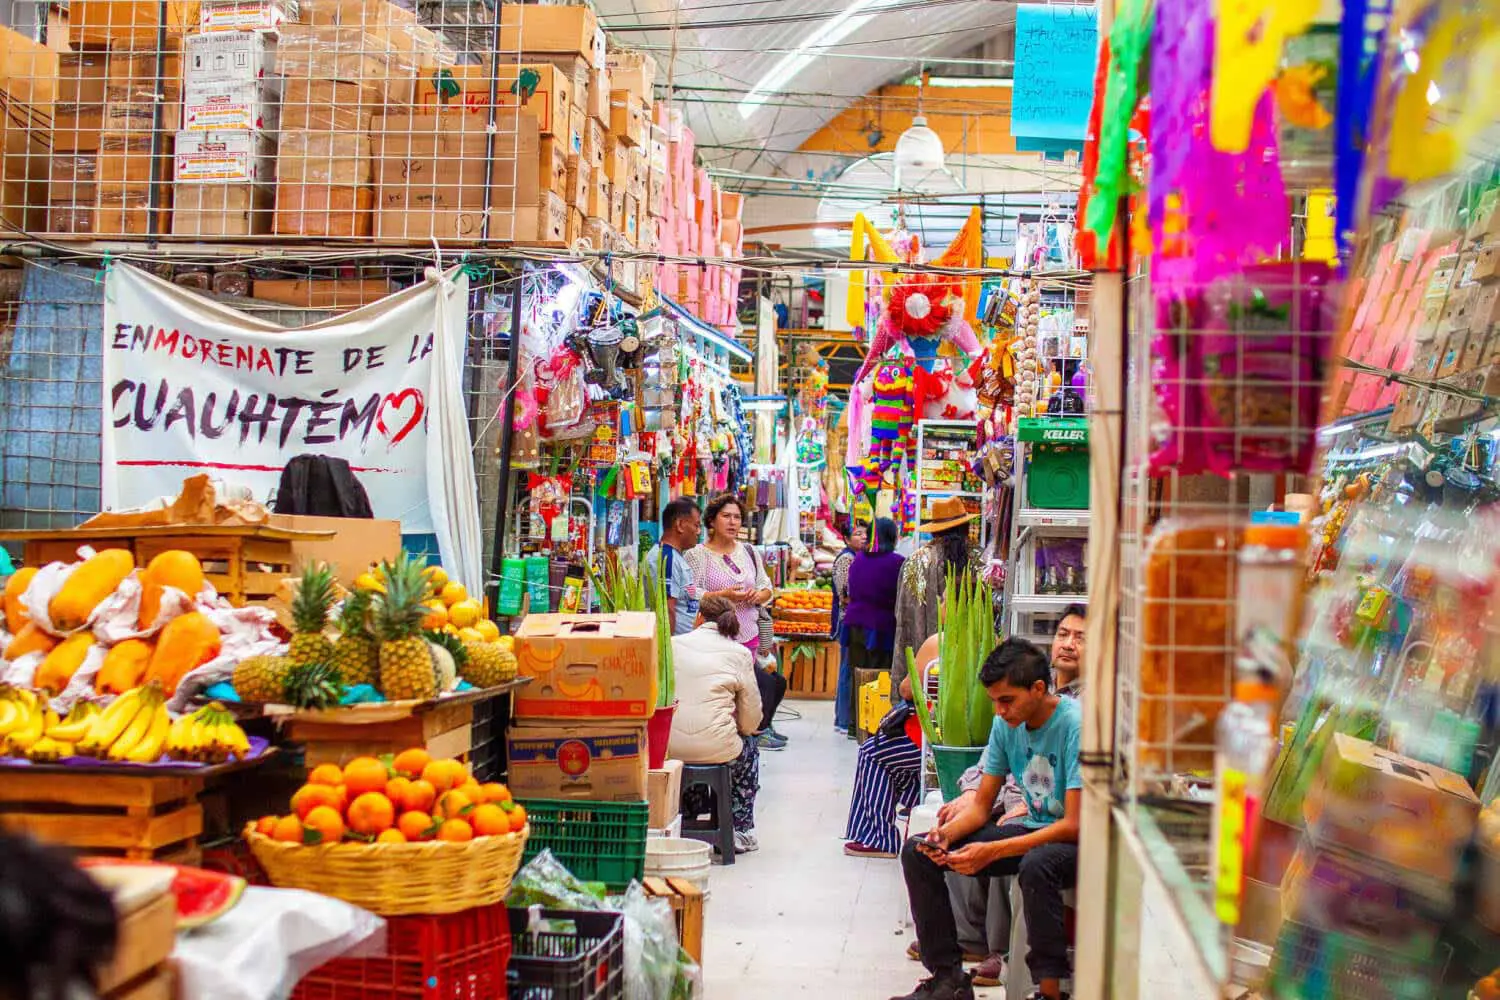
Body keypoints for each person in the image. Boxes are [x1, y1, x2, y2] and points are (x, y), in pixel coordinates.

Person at [895, 638, 1082, 1000]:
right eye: (994, 701)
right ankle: (947, 978)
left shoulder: (1074, 725)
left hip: (1075, 842)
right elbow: (981, 807)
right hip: (1029, 830)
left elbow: (1074, 825)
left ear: (1038, 689)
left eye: (1007, 700)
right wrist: (945, 837)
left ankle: (1049, 990)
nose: (999, 711)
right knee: (918, 853)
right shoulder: (1006, 724)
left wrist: (992, 851)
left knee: (1036, 865)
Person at [685, 494, 786, 749]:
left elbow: (766, 589)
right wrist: (724, 596)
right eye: (726, 516)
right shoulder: (697, 556)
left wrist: (755, 596)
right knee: (720, 695)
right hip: (714, 638)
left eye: (737, 517)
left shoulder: (749, 552)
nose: (733, 522)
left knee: (745, 695)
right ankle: (719, 745)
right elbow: (690, 593)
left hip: (748, 636)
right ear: (712, 520)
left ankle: (746, 742)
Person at [669, 595, 766, 855]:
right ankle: (740, 829)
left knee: (698, 756)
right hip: (718, 746)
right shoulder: (740, 653)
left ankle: (688, 818)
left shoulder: (672, 644)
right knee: (748, 750)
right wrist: (744, 730)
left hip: (670, 747)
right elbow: (751, 718)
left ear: (699, 618)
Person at [843, 632, 937, 858]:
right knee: (893, 755)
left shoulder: (938, 641)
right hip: (948, 736)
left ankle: (878, 837)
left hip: (929, 735)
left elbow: (907, 689)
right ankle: (912, 806)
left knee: (872, 752)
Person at [891, 497, 982, 703]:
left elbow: (904, 616)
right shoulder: (977, 560)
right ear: (967, 528)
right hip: (969, 666)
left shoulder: (917, 561)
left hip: (923, 667)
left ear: (934, 531)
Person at [839, 517, 904, 738]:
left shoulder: (858, 560)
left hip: (855, 623)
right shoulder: (897, 562)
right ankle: (874, 724)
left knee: (858, 674)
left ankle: (853, 725)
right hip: (881, 626)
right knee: (878, 676)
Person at [643, 498, 703, 637]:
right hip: (675, 648)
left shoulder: (674, 556)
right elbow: (666, 611)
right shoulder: (666, 557)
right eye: (696, 525)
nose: (698, 531)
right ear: (680, 525)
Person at [831, 521, 863, 733]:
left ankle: (842, 718)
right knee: (847, 671)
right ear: (846, 538)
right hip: (846, 619)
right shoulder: (846, 559)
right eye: (857, 533)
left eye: (864, 533)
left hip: (851, 618)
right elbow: (845, 594)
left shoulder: (857, 558)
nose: (862, 537)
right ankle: (843, 720)